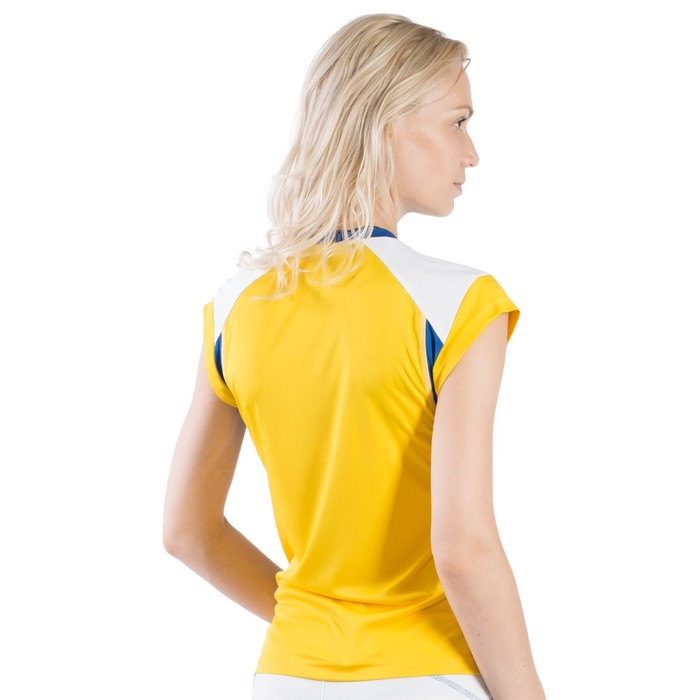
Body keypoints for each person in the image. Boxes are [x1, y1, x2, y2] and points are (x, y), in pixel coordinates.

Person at [163, 13, 546, 700]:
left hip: (287, 677)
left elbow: (188, 532)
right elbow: (463, 551)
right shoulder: (459, 304)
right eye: (458, 122)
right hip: (426, 675)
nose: (472, 154)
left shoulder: (235, 306)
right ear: (388, 122)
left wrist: (317, 628)